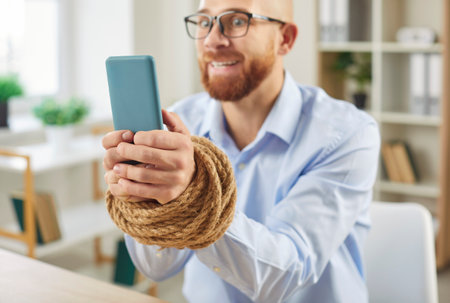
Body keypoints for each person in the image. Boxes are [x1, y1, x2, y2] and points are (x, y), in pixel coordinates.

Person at [102, 0, 380, 302]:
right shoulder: (181, 123)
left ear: (284, 39)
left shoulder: (347, 134)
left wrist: (196, 196)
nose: (212, 39)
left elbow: (285, 276)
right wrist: (144, 195)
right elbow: (155, 266)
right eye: (205, 22)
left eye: (236, 22)